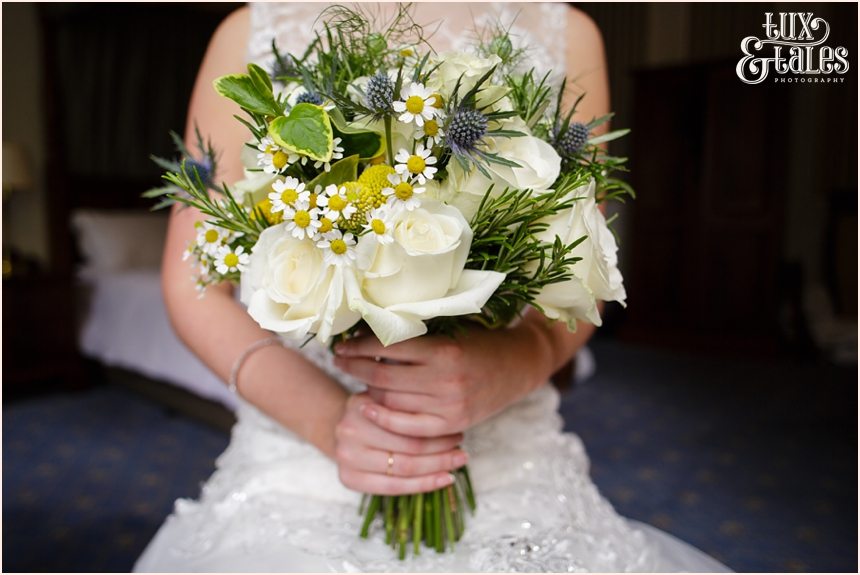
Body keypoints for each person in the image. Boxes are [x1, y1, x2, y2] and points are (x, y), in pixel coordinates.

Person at [135, 3, 730, 572]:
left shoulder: (569, 33)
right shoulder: (249, 31)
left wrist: (522, 357)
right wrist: (330, 421)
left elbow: (585, 260)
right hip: (300, 453)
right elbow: (193, 280)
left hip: (504, 448)